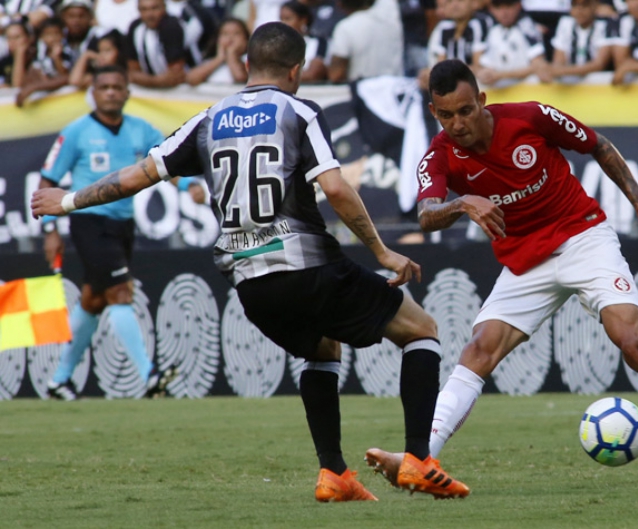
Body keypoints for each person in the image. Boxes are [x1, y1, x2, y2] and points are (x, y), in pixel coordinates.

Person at [32, 23, 470, 502]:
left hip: (251, 284)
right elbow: (336, 188)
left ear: (246, 65)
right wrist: (382, 251)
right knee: (420, 329)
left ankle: (334, 473)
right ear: (296, 70)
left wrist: (68, 200)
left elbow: (139, 175)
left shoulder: (208, 118)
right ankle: (419, 459)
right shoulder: (298, 111)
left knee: (323, 347)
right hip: (307, 265)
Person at [364, 60, 638, 486]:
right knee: (478, 350)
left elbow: (599, 145)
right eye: (447, 115)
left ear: (482, 101)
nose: (458, 124)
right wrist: (462, 203)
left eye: (466, 111)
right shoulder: (438, 155)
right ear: (434, 112)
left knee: (631, 340)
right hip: (525, 260)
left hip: (583, 237)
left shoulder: (530, 117)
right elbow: (426, 215)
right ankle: (419, 461)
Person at [36, 65, 205, 401]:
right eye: (105, 87)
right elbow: (48, 179)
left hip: (123, 225)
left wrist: (188, 185)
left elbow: (166, 163)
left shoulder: (142, 130)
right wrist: (49, 229)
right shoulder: (76, 132)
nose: (111, 92)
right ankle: (149, 376)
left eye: (117, 87)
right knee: (119, 292)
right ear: (93, 93)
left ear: (128, 92)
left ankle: (58, 381)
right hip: (88, 222)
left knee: (94, 299)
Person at [475, 0, 549, 88]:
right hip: (498, 86)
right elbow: (483, 65)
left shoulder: (527, 27)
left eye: (508, 6)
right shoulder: (491, 30)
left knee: (536, 79)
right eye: (498, 7)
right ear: (491, 9)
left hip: (523, 85)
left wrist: (500, 75)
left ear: (518, 6)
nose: (504, 13)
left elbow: (539, 65)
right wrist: (486, 74)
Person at [326, 0, 404, 83]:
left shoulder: (344, 27)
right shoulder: (392, 22)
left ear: (340, 4)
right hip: (394, 87)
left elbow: (336, 75)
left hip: (361, 88)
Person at [126, 0, 187, 88]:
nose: (149, 14)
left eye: (154, 8)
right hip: (152, 89)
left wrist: (145, 80)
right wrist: (155, 81)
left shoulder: (172, 27)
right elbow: (133, 71)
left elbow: (175, 76)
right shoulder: (135, 28)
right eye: (144, 9)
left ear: (164, 8)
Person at [549, 0, 614, 79]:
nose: (579, 10)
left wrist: (563, 71)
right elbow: (558, 61)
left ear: (595, 6)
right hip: (569, 81)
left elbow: (599, 64)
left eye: (585, 5)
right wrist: (558, 70)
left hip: (597, 81)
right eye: (574, 5)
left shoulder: (605, 25)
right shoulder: (565, 23)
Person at [185, 16, 249, 85]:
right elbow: (191, 79)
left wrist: (231, 54)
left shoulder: (249, 60)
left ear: (245, 39)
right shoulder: (210, 62)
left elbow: (240, 78)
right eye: (225, 34)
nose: (230, 38)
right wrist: (219, 59)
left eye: (236, 34)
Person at [279, 0, 328, 83]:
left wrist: (278, 77)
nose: (283, 23)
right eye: (281, 19)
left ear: (303, 20)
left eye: (288, 19)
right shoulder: (277, 44)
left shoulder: (317, 42)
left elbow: (313, 74)